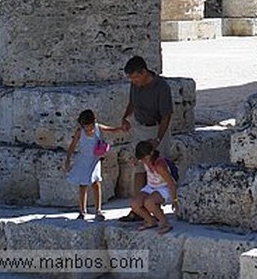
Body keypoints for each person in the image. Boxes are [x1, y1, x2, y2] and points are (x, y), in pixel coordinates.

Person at [119, 56, 174, 222]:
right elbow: (132, 102)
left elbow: (166, 116)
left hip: (158, 129)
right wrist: (125, 118)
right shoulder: (135, 84)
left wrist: (158, 139)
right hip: (140, 127)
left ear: (144, 72)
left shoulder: (162, 87)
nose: (134, 81)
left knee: (158, 167)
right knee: (139, 169)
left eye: (136, 77)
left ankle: (157, 206)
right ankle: (138, 209)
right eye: (131, 79)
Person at [62, 109, 121, 220]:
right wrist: (68, 159)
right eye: (86, 126)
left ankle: (98, 210)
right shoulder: (80, 131)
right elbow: (73, 145)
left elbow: (111, 130)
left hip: (94, 161)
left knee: (96, 183)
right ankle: (82, 211)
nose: (89, 128)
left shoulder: (98, 128)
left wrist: (121, 129)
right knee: (83, 185)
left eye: (90, 125)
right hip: (83, 160)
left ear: (94, 122)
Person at [130, 141, 177, 234]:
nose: (143, 161)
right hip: (151, 187)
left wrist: (175, 200)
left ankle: (165, 223)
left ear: (151, 154)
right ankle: (151, 221)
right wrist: (134, 161)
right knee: (135, 204)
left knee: (149, 202)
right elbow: (139, 157)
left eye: (144, 158)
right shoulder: (145, 157)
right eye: (141, 159)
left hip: (164, 188)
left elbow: (171, 183)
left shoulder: (159, 165)